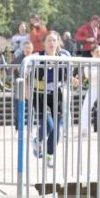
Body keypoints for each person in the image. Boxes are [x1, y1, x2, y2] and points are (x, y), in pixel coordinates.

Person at [28, 31, 74, 168]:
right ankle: (38, 141)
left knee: (57, 131)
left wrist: (73, 80)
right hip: (40, 94)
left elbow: (66, 77)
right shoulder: (36, 57)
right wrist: (26, 90)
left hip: (56, 94)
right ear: (44, 43)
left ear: (58, 42)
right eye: (49, 40)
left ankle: (49, 155)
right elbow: (25, 74)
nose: (52, 43)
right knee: (49, 125)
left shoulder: (63, 58)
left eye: (54, 40)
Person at [78, 44, 100, 136]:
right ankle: (84, 129)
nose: (99, 53)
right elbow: (87, 75)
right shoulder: (89, 61)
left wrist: (95, 74)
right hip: (93, 86)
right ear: (92, 53)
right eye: (97, 52)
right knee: (86, 106)